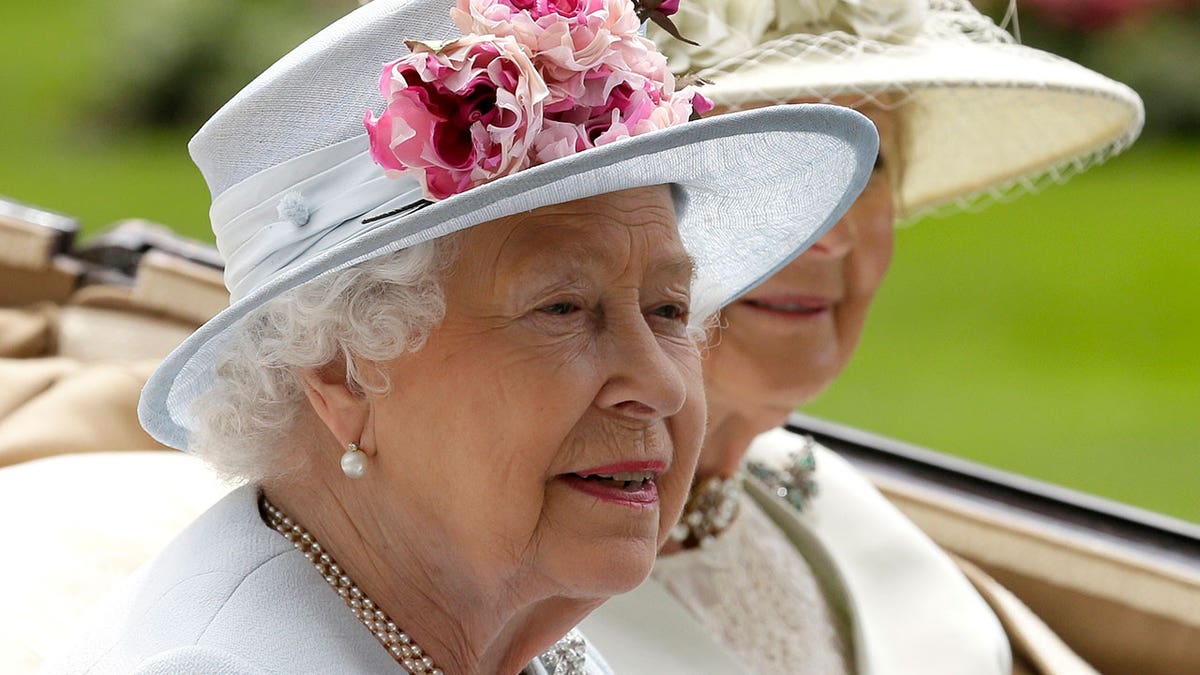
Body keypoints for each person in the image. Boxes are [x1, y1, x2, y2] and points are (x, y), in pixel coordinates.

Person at [40, 0, 879, 673]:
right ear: (340, 368)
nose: (658, 383)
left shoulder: (497, 636)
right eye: (562, 308)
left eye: (667, 310)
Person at [581, 1, 1143, 674]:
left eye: (866, 160)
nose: (831, 232)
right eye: (761, 155)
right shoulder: (492, 604)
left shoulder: (827, 501)